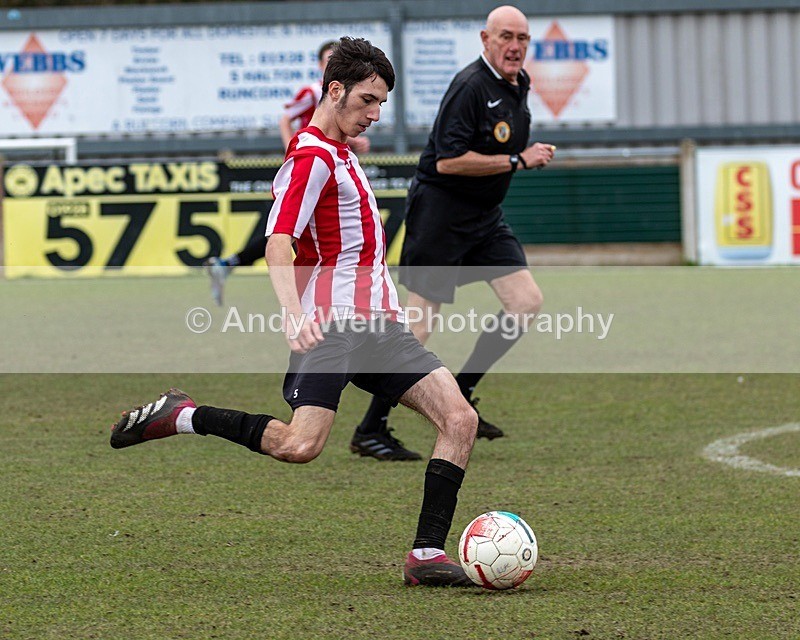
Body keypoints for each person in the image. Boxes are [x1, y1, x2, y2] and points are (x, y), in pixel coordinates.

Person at [110, 37, 478, 588]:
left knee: (460, 419)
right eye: (369, 100)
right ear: (336, 90)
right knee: (299, 445)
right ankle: (184, 414)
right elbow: (278, 239)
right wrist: (290, 311)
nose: (375, 114)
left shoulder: (344, 154)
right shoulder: (309, 157)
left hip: (381, 328)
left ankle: (426, 555)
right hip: (331, 326)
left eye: (382, 103)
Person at [349, 5, 555, 461]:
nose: (515, 46)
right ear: (486, 39)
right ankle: (370, 428)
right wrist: (519, 160)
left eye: (522, 37)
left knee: (525, 303)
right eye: (505, 36)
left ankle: (462, 393)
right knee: (418, 328)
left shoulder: (518, 85)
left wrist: (514, 157)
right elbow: (447, 160)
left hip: (485, 218)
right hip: (441, 215)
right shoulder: (469, 86)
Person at [205, 41, 370, 306]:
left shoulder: (346, 98)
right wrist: (292, 151)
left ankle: (228, 264)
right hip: (309, 169)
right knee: (289, 235)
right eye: (327, 60)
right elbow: (285, 118)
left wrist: (352, 144)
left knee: (299, 235)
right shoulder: (314, 92)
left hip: (324, 170)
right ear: (319, 65)